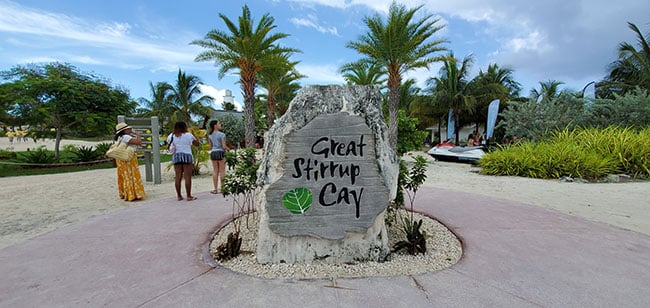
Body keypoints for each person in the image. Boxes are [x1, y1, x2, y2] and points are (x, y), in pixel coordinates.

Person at [167, 121, 200, 201]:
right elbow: (197, 144)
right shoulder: (188, 135)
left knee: (178, 176)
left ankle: (179, 196)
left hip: (177, 156)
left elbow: (169, 144)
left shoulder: (171, 136)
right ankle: (188, 196)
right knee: (187, 177)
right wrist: (194, 135)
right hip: (187, 155)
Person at [114, 122, 146, 201]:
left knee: (125, 175)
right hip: (129, 158)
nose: (130, 130)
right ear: (124, 130)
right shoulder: (126, 137)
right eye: (128, 129)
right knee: (131, 174)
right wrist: (138, 135)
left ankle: (126, 192)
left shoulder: (119, 138)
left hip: (121, 158)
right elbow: (138, 142)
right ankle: (133, 193)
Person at [207, 120, 230, 194]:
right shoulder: (222, 135)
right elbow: (223, 146)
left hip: (213, 152)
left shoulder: (210, 135)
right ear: (215, 126)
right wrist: (228, 148)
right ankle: (223, 188)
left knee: (215, 170)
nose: (220, 124)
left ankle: (215, 189)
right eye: (219, 123)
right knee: (222, 171)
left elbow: (210, 147)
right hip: (220, 152)